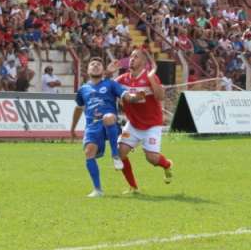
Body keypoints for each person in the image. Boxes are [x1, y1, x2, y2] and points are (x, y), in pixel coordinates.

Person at [115, 49, 173, 194]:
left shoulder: (149, 77)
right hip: (133, 125)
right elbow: (107, 87)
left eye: (136, 56)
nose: (132, 59)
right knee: (120, 153)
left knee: (152, 159)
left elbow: (160, 97)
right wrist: (109, 73)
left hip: (151, 125)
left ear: (144, 62)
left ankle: (167, 165)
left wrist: (152, 76)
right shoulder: (123, 79)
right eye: (131, 56)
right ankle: (133, 187)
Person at [69, 58, 128, 198]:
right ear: (87, 70)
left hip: (110, 121)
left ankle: (115, 154)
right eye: (92, 64)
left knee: (108, 117)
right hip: (92, 126)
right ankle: (98, 190)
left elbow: (124, 97)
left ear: (103, 70)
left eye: (98, 65)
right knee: (89, 153)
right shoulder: (83, 89)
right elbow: (78, 108)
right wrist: (72, 129)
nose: (95, 66)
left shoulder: (111, 84)